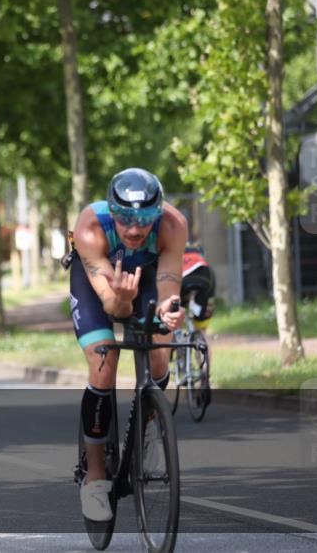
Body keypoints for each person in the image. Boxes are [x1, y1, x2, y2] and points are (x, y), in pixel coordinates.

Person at [69, 168, 187, 522]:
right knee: (104, 362)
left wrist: (169, 310)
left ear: (159, 214)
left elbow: (168, 284)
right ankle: (94, 475)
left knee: (160, 357)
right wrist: (121, 300)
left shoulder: (173, 225)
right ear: (111, 212)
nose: (134, 230)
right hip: (100, 285)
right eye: (124, 220)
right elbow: (113, 306)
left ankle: (148, 427)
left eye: (144, 220)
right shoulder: (89, 227)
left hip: (147, 275)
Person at [181, 242, 215, 331]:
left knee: (173, 306)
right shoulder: (200, 255)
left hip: (182, 277)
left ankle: (174, 335)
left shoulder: (177, 248)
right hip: (205, 276)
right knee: (205, 306)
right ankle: (201, 335)